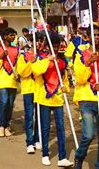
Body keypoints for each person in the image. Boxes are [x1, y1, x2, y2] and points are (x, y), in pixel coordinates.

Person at [73, 25, 99, 169]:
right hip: (86, 99)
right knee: (88, 135)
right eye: (93, 35)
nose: (96, 37)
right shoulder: (79, 53)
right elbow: (79, 78)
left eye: (98, 35)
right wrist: (89, 62)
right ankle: (79, 156)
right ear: (88, 37)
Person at [32, 32, 73, 167]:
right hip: (44, 99)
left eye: (57, 46)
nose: (55, 49)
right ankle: (45, 154)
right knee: (45, 128)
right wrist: (48, 59)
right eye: (52, 46)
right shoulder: (41, 58)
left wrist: (65, 88)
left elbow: (65, 81)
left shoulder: (61, 62)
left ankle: (62, 157)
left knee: (61, 128)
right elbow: (37, 71)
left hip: (58, 99)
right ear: (47, 46)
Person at [15, 32, 40, 154]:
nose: (37, 44)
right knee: (29, 116)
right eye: (35, 42)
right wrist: (32, 62)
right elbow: (22, 72)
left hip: (40, 89)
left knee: (40, 116)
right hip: (28, 89)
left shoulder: (43, 56)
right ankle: (29, 141)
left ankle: (37, 138)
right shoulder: (23, 56)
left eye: (40, 42)